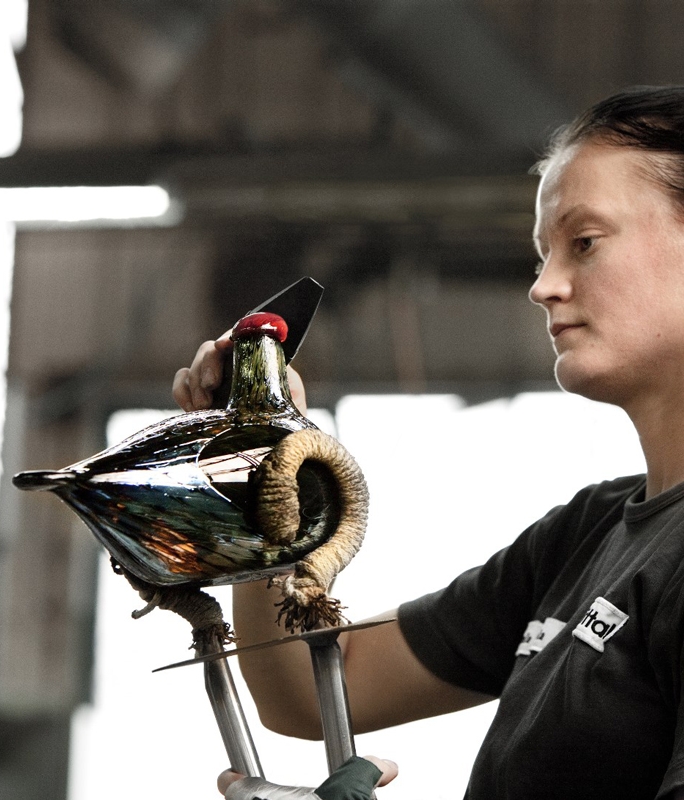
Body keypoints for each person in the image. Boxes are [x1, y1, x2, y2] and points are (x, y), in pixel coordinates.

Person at [173, 86, 684, 799]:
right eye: (542, 254)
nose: (543, 286)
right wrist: (266, 460)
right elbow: (310, 690)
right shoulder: (584, 538)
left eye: (585, 242)